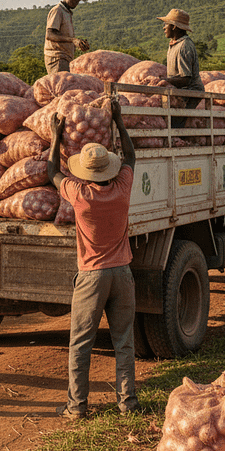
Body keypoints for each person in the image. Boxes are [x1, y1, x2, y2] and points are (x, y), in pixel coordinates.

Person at [47, 99, 137, 420]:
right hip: (122, 274)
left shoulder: (80, 195)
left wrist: (56, 136)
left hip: (92, 277)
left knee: (81, 344)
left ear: (85, 173)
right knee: (124, 342)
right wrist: (119, 121)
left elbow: (52, 172)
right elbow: (131, 157)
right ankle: (127, 403)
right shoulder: (122, 187)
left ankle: (77, 406)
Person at [158, 8, 204, 128]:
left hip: (191, 92)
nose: (163, 28)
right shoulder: (174, 44)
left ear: (174, 26)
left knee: (174, 123)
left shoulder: (184, 46)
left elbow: (186, 79)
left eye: (166, 24)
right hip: (181, 91)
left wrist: (166, 81)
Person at [44, 0, 90, 74]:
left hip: (65, 58)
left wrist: (78, 43)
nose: (76, 2)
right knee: (61, 82)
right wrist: (73, 40)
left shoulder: (67, 13)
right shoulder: (58, 10)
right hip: (57, 58)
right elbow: (50, 35)